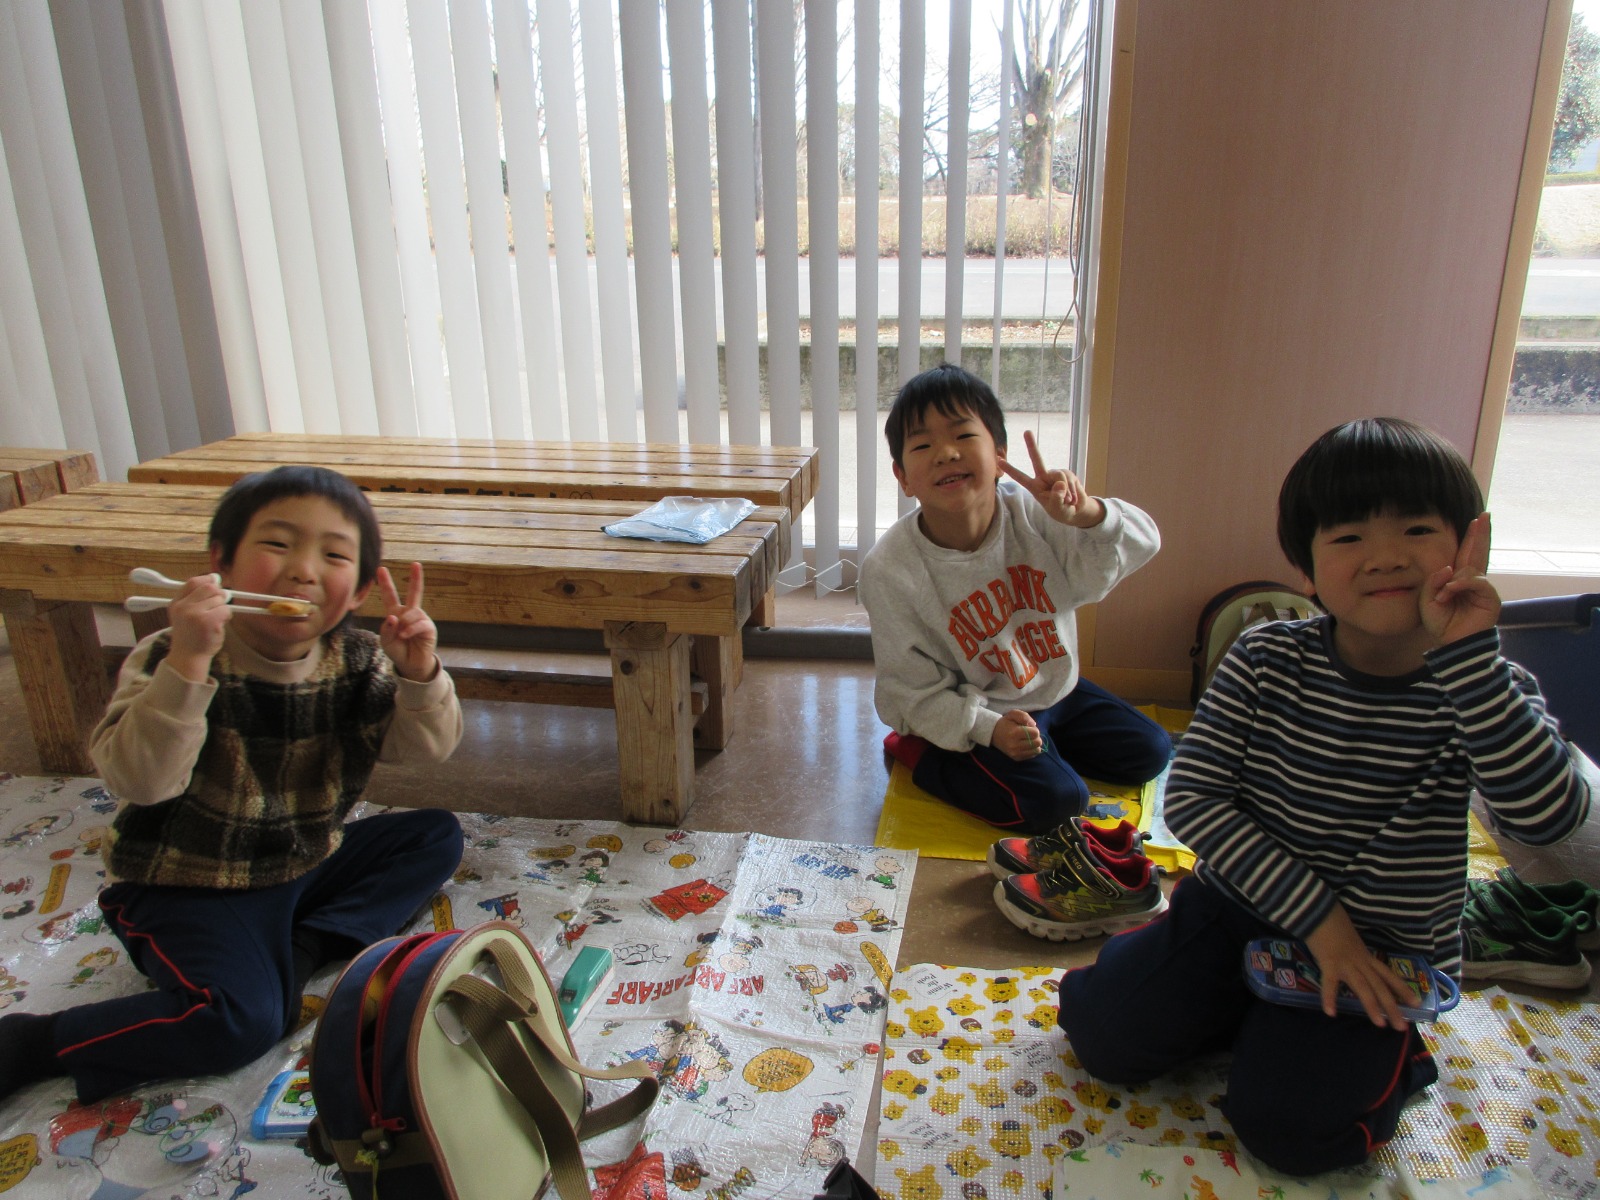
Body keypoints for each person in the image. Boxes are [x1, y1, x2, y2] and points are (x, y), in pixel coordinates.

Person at [1056, 417, 1591, 1176]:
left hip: (1379, 954)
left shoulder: (1485, 685)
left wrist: (1469, 660)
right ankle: (1240, 1002)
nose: (1386, 556)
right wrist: (1318, 922)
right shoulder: (1267, 656)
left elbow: (1548, 820)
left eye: (1416, 529)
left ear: (1468, 546)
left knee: (1291, 1135)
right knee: (1100, 1033)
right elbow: (1197, 799)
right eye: (1348, 537)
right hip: (1238, 907)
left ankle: (1397, 1055)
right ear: (1306, 569)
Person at [0, 465, 465, 1104]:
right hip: (187, 884)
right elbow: (140, 779)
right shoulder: (173, 655)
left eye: (334, 556)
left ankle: (298, 949)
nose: (303, 570)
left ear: (359, 591)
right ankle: (34, 1042)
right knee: (240, 1024)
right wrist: (190, 663)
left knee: (434, 835)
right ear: (220, 563)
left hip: (300, 863)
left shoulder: (360, 660)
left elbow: (428, 748)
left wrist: (420, 672)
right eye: (277, 543)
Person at [859, 362, 1169, 843]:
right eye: (922, 446)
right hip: (975, 707)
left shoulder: (1037, 513)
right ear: (903, 477)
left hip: (1052, 689)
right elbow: (909, 691)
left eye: (963, 435)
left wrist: (1087, 515)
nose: (946, 453)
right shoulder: (889, 570)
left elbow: (1141, 543)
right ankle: (921, 751)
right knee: (1060, 801)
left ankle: (1045, 751)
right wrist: (988, 729)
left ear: (1000, 455)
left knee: (1151, 751)